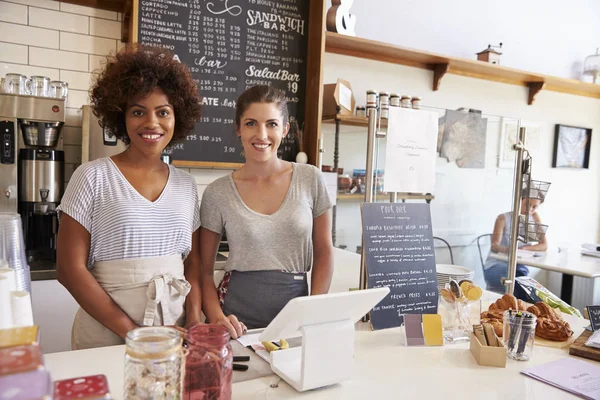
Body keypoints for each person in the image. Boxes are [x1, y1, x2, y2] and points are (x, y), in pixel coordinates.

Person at [56, 45, 203, 349]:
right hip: (106, 331)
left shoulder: (186, 186)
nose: (151, 123)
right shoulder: (92, 176)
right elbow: (69, 270)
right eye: (138, 111)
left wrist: (195, 319)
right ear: (120, 116)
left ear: (178, 118)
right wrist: (132, 331)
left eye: (163, 112)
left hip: (174, 331)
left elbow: (194, 264)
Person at [200, 85, 334, 338]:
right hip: (235, 321)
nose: (261, 134)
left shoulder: (310, 178)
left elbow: (324, 250)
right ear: (238, 128)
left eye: (271, 124)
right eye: (251, 123)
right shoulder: (217, 193)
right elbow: (204, 270)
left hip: (296, 314)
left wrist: (314, 309)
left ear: (284, 129)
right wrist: (217, 317)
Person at [483, 192, 548, 293]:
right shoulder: (503, 218)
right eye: (527, 204)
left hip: (519, 266)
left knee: (522, 279)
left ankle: (516, 304)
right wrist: (512, 250)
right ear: (520, 200)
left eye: (534, 207)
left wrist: (524, 249)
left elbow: (544, 245)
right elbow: (494, 246)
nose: (530, 209)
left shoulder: (534, 218)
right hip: (496, 264)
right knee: (520, 281)